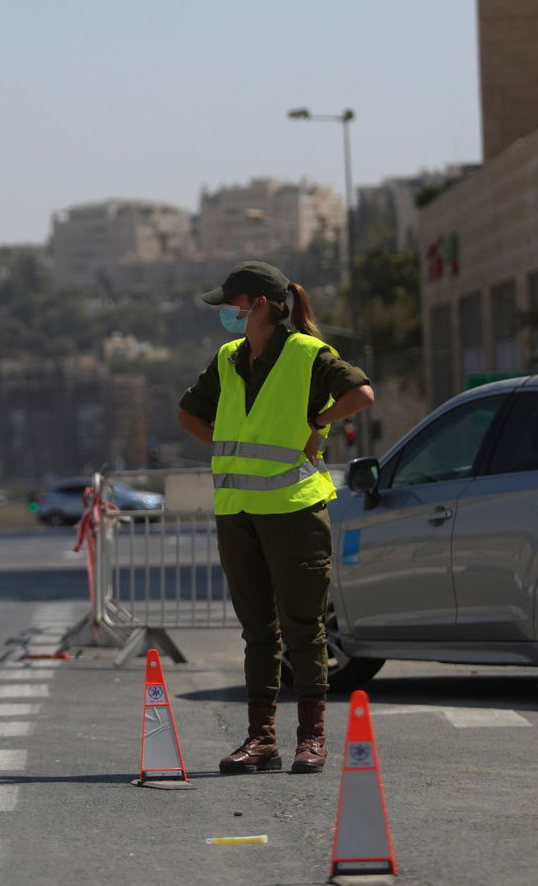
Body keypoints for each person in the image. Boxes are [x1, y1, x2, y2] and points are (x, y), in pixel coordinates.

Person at [177, 261, 374, 774]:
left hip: (293, 511)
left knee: (303, 628)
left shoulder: (308, 354)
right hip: (237, 513)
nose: (227, 312)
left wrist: (316, 422)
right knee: (258, 632)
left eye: (231, 303)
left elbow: (361, 394)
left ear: (259, 304)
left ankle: (312, 738)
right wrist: (226, 446)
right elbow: (188, 415)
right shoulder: (228, 358)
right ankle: (260, 740)